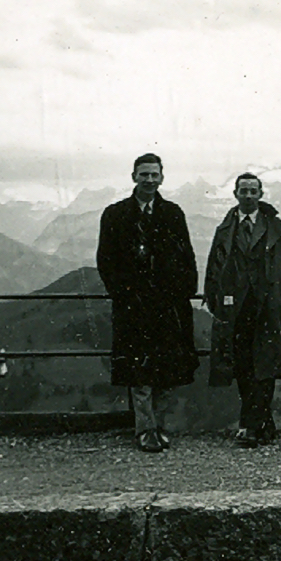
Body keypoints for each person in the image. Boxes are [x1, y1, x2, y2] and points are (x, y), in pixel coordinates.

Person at [96, 153, 199, 453]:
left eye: (154, 175)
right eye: (144, 174)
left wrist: (183, 294)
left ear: (162, 178)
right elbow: (105, 260)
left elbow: (187, 255)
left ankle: (160, 426)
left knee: (167, 367)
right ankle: (145, 429)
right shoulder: (115, 214)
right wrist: (123, 294)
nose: (150, 180)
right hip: (133, 305)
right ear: (134, 177)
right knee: (138, 370)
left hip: (167, 305)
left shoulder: (173, 213)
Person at [204, 172, 281, 448]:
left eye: (253, 191)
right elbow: (213, 267)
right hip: (236, 309)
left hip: (268, 308)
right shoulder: (225, 229)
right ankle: (262, 423)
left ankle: (251, 425)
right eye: (243, 191)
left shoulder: (276, 227)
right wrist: (215, 301)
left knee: (265, 366)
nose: (248, 195)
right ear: (235, 194)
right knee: (243, 366)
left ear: (260, 194)